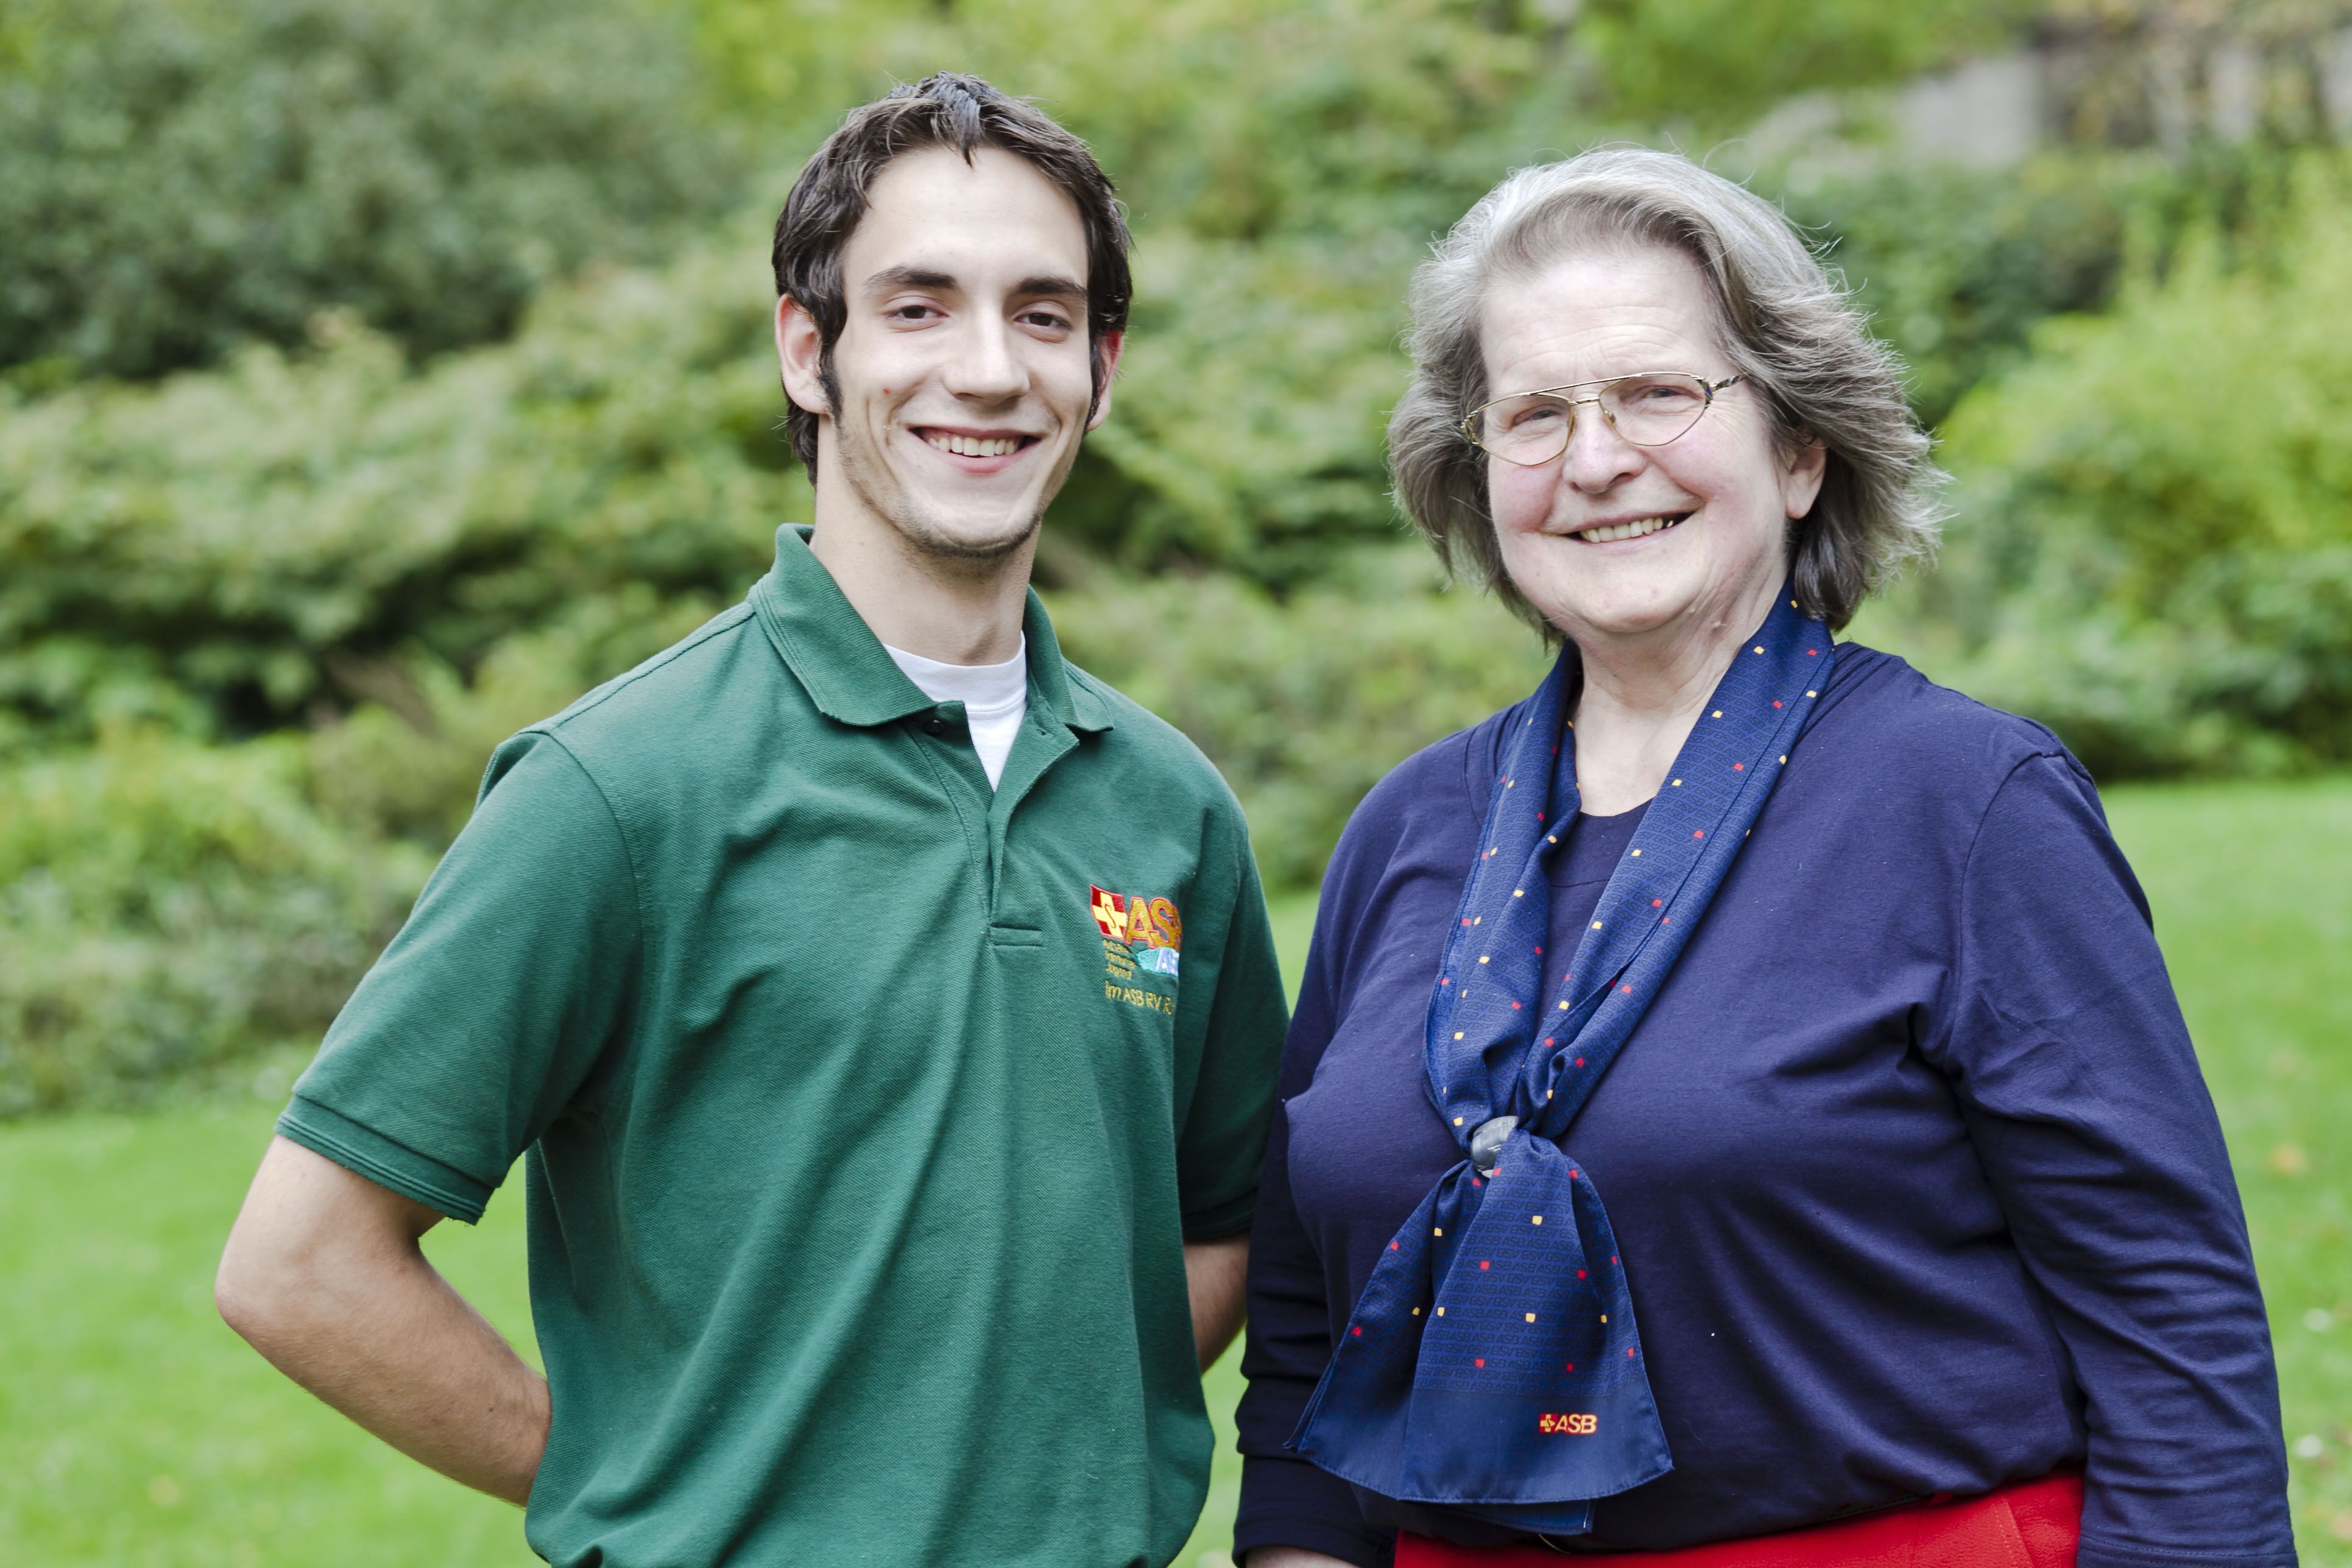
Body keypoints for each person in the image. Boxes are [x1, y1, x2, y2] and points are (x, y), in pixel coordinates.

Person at [215, 73, 1288, 1568]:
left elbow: (1218, 1226)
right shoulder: (620, 788)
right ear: (808, 350)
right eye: (916, 309)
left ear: (1101, 369)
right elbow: (299, 1262)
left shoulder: (1168, 805)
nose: (987, 369)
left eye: (1042, 315)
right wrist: (653, 1492)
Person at [1233, 147, 2296, 1568]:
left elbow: (2168, 1325)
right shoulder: (1404, 831)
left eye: (1658, 393)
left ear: (1798, 450)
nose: (1596, 458)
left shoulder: (1965, 804)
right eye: (1532, 415)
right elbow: (1306, 1334)